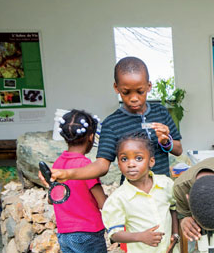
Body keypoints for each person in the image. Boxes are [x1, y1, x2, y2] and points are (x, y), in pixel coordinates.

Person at [47, 56, 182, 183]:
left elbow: (178, 150)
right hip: (131, 196)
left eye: (140, 91)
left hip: (162, 192)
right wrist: (68, 174)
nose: (134, 98)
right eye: (126, 92)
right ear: (116, 88)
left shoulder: (161, 112)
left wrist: (166, 141)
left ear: (149, 86)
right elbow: (102, 166)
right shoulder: (111, 124)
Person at [101, 131, 180, 253]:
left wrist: (175, 234)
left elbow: (174, 208)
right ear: (118, 164)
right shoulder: (118, 199)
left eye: (138, 158)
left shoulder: (165, 184)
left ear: (151, 161)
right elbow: (114, 234)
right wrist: (141, 236)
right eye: (124, 159)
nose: (131, 164)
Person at [52, 109, 108, 253]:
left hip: (65, 234)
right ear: (91, 137)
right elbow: (101, 202)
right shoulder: (86, 166)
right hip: (89, 232)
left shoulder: (58, 163)